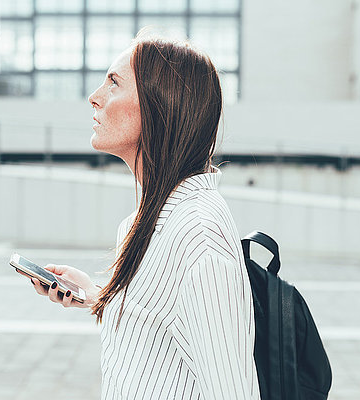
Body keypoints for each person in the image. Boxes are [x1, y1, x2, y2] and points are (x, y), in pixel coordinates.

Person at [17, 30, 261, 399]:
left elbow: (234, 392)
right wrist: (95, 294)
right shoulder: (145, 221)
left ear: (158, 106)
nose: (94, 97)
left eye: (113, 83)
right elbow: (160, 329)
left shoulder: (198, 233)